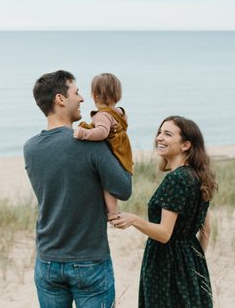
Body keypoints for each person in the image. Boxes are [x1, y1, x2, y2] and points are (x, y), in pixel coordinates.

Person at [24, 70, 133, 308]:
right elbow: (123, 189)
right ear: (60, 99)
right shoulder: (89, 144)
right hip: (89, 261)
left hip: (47, 260)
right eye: (76, 92)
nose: (82, 99)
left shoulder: (30, 148)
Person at [110, 116, 216, 308]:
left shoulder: (176, 179)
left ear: (185, 145)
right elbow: (206, 231)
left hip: (165, 263)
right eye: (160, 132)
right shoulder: (199, 176)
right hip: (192, 260)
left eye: (168, 134)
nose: (159, 137)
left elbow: (165, 234)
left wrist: (134, 220)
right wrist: (192, 263)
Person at [74, 72, 134, 218]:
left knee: (106, 184)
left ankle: (112, 213)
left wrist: (83, 133)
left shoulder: (102, 115)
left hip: (113, 153)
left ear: (95, 95)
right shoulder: (119, 112)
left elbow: (102, 133)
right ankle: (112, 210)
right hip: (122, 152)